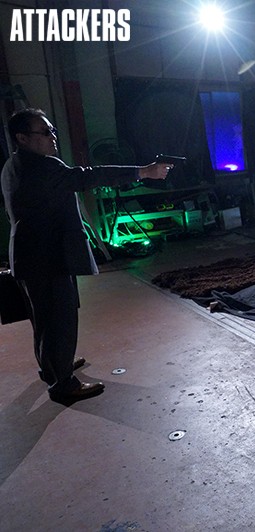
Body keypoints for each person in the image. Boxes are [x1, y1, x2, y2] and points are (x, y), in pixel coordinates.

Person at [1, 107, 172, 404]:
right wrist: (143, 171)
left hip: (28, 255)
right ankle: (63, 384)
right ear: (22, 138)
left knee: (43, 319)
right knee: (60, 319)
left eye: (52, 130)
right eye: (45, 132)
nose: (53, 137)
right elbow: (89, 177)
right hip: (48, 258)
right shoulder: (43, 167)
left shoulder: (12, 165)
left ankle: (53, 367)